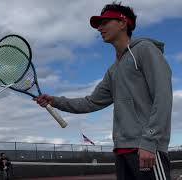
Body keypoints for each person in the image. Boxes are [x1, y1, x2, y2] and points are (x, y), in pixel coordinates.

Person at [35, 2, 172, 180]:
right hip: (122, 151)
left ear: (123, 23)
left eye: (105, 22)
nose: (100, 28)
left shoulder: (146, 50)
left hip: (147, 150)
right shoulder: (113, 70)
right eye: (99, 24)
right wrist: (54, 100)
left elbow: (164, 97)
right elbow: (91, 102)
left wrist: (149, 141)